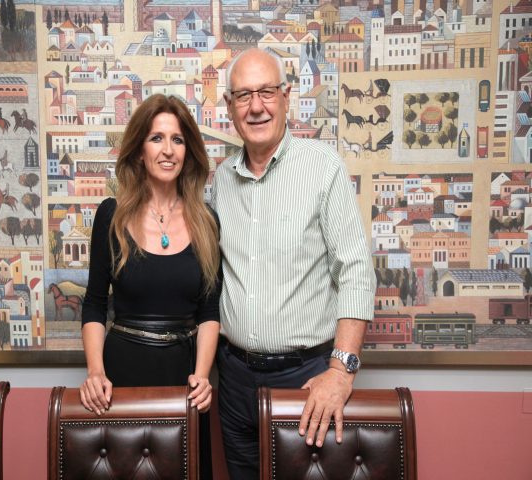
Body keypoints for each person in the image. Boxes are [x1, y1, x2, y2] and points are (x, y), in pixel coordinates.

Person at [211, 48, 376, 479]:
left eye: (267, 92)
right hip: (234, 380)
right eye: (244, 95)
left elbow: (356, 271)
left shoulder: (322, 168)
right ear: (229, 106)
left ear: (286, 97)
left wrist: (340, 371)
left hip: (306, 378)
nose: (256, 107)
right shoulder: (220, 182)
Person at [80, 94, 221, 480]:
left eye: (177, 140)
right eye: (156, 138)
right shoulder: (111, 215)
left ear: (188, 152)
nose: (168, 150)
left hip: (184, 375)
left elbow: (210, 310)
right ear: (139, 151)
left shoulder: (207, 221)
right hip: (122, 372)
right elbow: (94, 304)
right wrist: (95, 372)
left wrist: (202, 376)